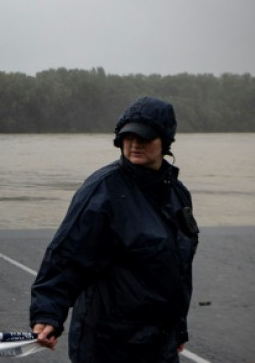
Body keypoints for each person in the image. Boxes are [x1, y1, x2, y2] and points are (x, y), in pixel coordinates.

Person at [30, 96, 199, 362]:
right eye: (128, 136)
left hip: (159, 343)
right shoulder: (103, 191)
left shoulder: (177, 194)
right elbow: (67, 255)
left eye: (145, 137)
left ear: (165, 141)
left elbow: (177, 270)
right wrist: (48, 313)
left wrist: (177, 328)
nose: (134, 144)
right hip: (108, 344)